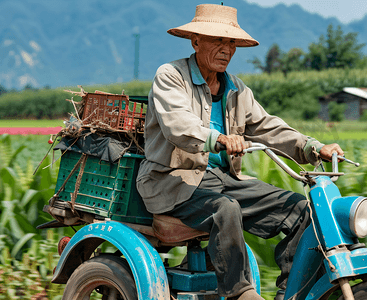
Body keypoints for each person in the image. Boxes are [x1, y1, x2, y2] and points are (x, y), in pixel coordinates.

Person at [136, 4, 344, 300]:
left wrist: (313, 147)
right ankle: (239, 292)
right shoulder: (171, 76)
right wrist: (218, 138)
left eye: (231, 42)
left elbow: (269, 127)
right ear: (196, 41)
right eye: (218, 40)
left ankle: (294, 292)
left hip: (222, 179)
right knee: (226, 208)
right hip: (172, 181)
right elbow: (178, 124)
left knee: (304, 210)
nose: (226, 49)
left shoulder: (237, 89)